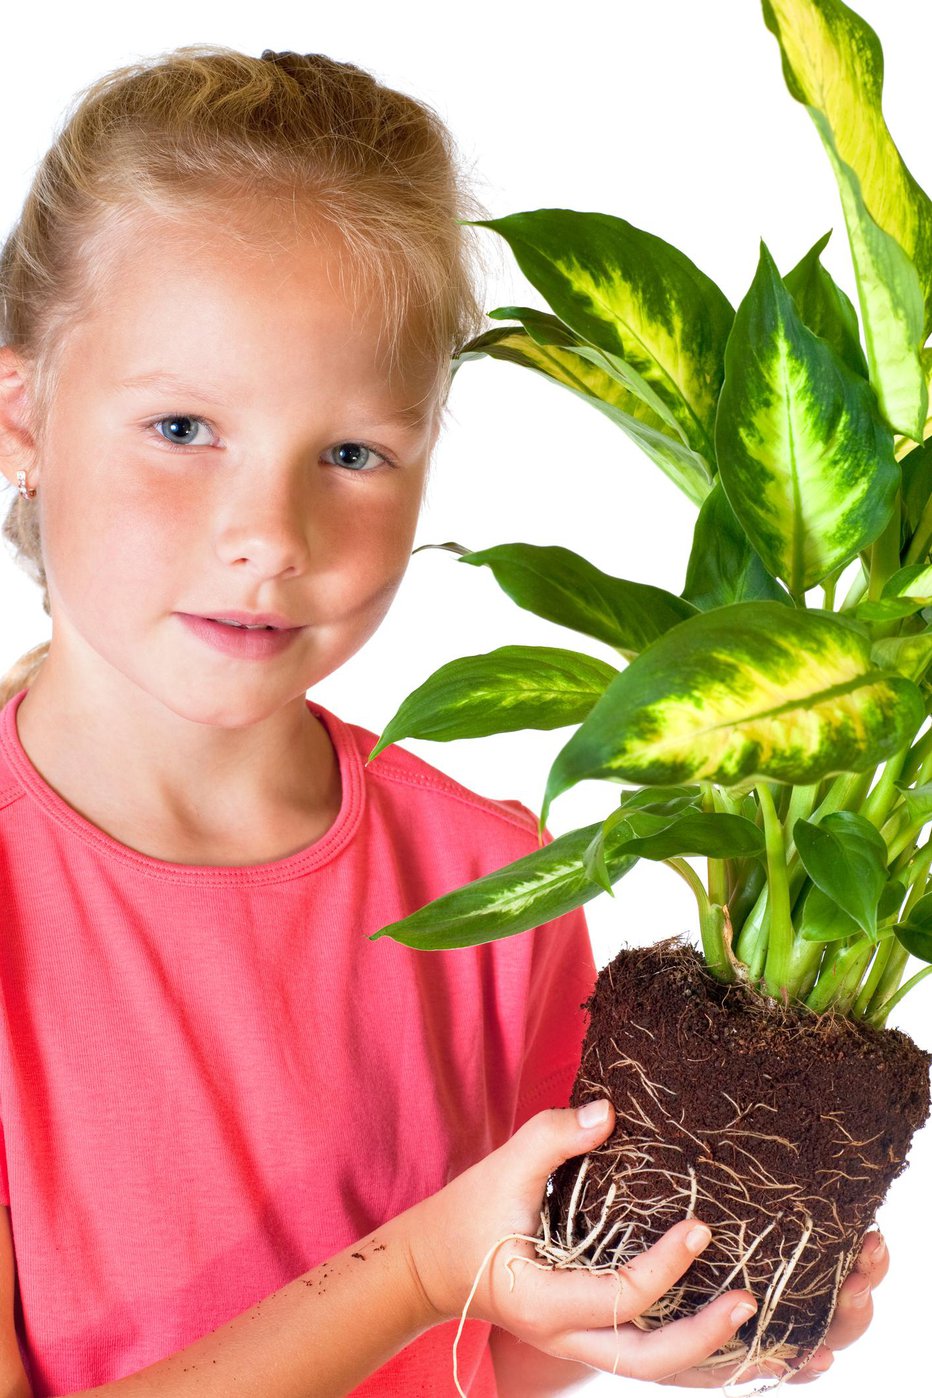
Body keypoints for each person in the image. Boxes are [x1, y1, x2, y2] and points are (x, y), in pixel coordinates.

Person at [0, 45, 886, 1398]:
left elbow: (488, 1340)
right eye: (183, 426)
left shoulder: (499, 885)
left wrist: (666, 1310)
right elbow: (432, 1274)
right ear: (23, 419)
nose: (269, 537)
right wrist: (416, 1264)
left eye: (353, 453)